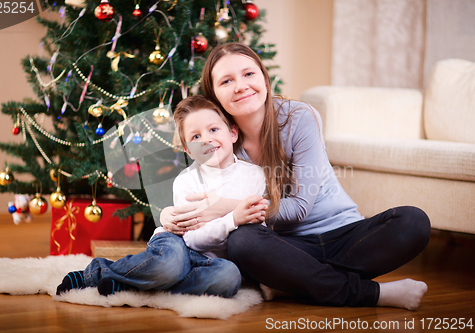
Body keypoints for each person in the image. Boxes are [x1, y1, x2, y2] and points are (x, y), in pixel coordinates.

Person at [160, 43, 431, 310]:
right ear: (215, 97)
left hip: (342, 234)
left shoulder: (300, 117)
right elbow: (195, 190)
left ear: (265, 80)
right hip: (281, 246)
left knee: (413, 222)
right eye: (227, 81)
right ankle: (366, 292)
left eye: (248, 74)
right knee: (242, 241)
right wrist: (165, 216)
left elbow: (299, 208)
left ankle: (293, 280)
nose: (241, 86)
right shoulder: (221, 142)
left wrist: (227, 206)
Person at [56, 95, 267, 298]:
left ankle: (133, 286)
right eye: (196, 137)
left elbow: (262, 227)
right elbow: (193, 239)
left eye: (213, 129)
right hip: (178, 245)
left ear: (233, 133)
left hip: (213, 261)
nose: (206, 140)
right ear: (189, 151)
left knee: (228, 277)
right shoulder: (187, 181)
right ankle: (96, 273)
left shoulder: (255, 176)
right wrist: (233, 219)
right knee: (170, 266)